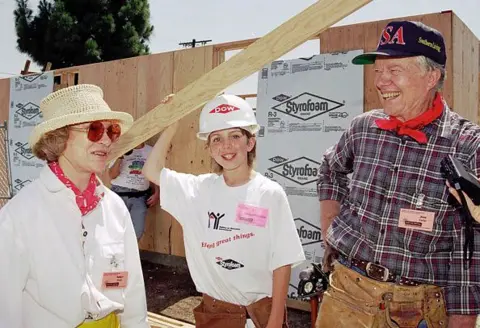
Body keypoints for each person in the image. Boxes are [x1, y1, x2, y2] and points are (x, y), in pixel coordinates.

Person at [315, 21, 480, 328]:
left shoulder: (467, 146)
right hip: (346, 293)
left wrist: (463, 320)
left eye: (395, 70)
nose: (381, 81)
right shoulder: (363, 128)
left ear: (431, 76)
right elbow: (329, 170)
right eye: (378, 70)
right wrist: (330, 229)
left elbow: (471, 248)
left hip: (416, 310)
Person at [142, 94, 305, 328]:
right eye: (216, 139)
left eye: (235, 136)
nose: (226, 146)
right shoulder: (196, 191)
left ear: (250, 143)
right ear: (208, 148)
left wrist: (276, 319)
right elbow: (151, 170)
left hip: (262, 311)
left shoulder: (269, 194)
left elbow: (282, 261)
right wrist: (171, 125)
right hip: (216, 313)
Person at [0, 84, 150, 328]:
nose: (106, 140)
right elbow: (4, 308)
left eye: (111, 131)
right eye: (93, 130)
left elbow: (132, 289)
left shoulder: (114, 207)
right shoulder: (20, 215)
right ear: (58, 138)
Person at [108, 142, 160, 241]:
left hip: (139, 196)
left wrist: (156, 193)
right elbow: (112, 175)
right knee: (116, 230)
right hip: (119, 194)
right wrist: (120, 157)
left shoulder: (150, 151)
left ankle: (130, 255)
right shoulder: (120, 149)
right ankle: (117, 255)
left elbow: (154, 173)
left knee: (137, 231)